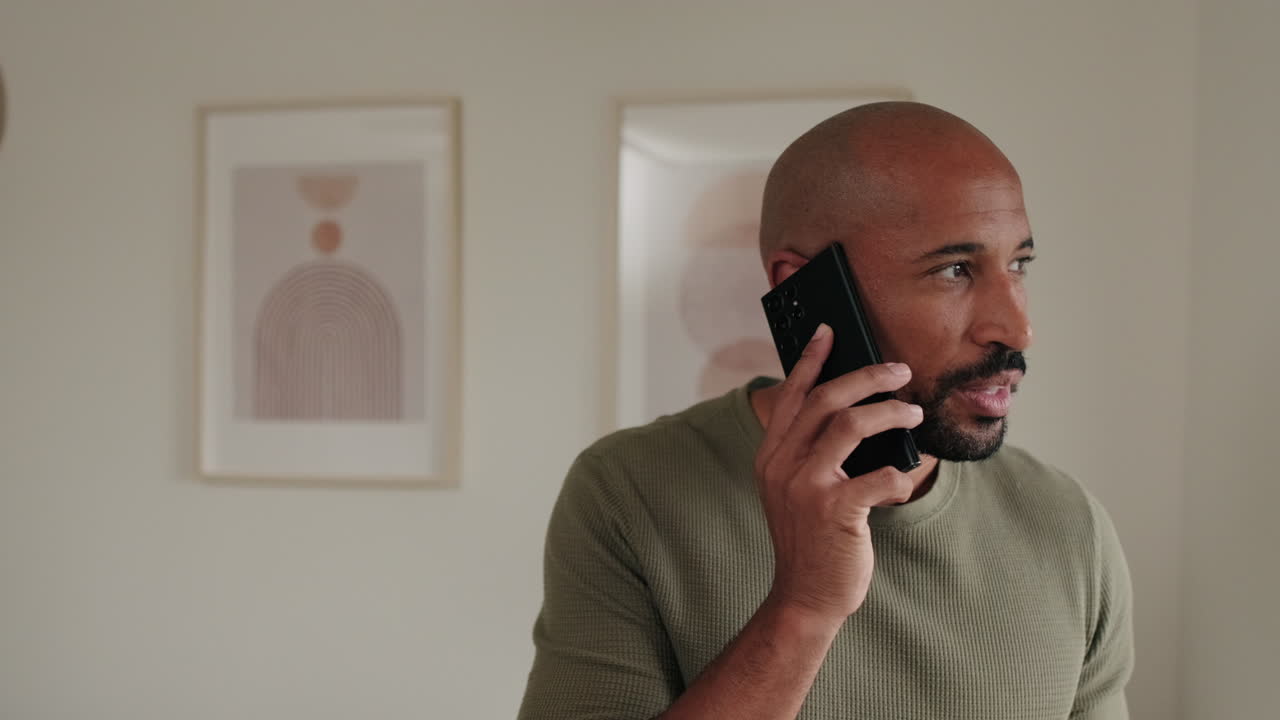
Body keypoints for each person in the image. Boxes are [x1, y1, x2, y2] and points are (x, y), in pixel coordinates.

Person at [517, 102, 1133, 719]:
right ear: (805, 288)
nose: (1018, 329)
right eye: (954, 270)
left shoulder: (1070, 528)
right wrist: (804, 607)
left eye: (1019, 264)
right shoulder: (629, 492)